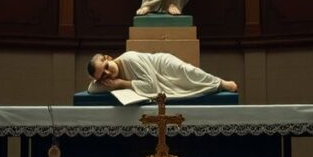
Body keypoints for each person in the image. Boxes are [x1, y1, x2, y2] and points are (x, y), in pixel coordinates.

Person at [87, 51, 238, 98]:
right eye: (103, 76)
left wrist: (121, 84)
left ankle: (220, 83)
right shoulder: (107, 78)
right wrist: (98, 82)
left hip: (162, 66)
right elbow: (91, 89)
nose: (108, 73)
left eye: (106, 67)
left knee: (190, 72)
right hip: (158, 81)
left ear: (108, 58)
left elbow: (151, 87)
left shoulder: (129, 59)